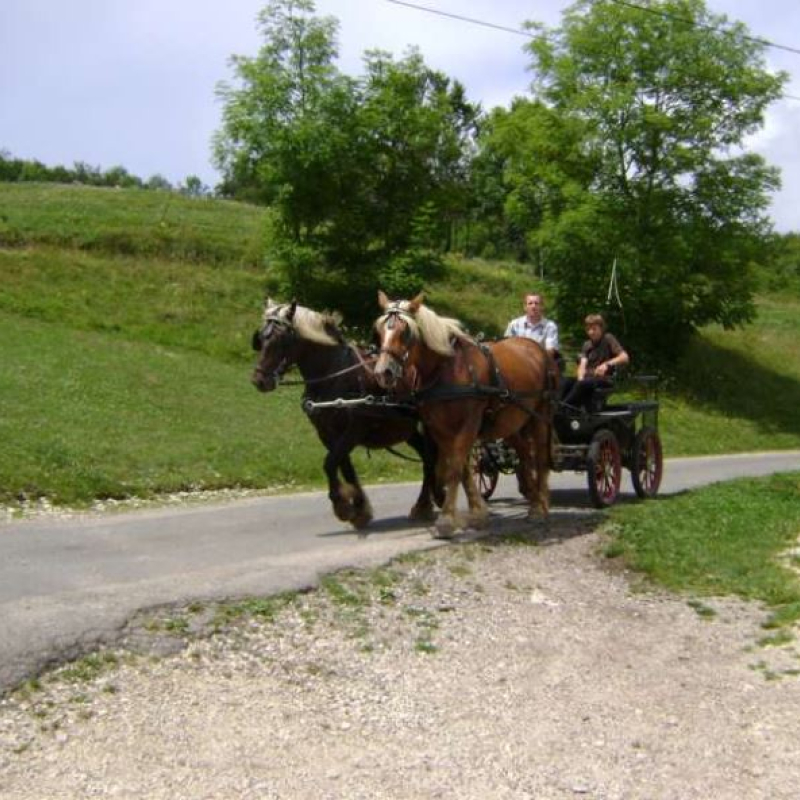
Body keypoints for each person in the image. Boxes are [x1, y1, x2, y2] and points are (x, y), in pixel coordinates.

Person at [561, 313, 629, 411]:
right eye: (588, 329)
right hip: (588, 379)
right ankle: (562, 406)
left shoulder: (608, 338)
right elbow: (582, 365)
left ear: (601, 328)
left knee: (582, 384)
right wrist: (580, 378)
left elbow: (624, 357)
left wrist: (607, 364)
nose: (591, 332)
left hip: (604, 379)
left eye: (594, 329)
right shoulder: (587, 345)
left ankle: (563, 407)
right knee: (566, 381)